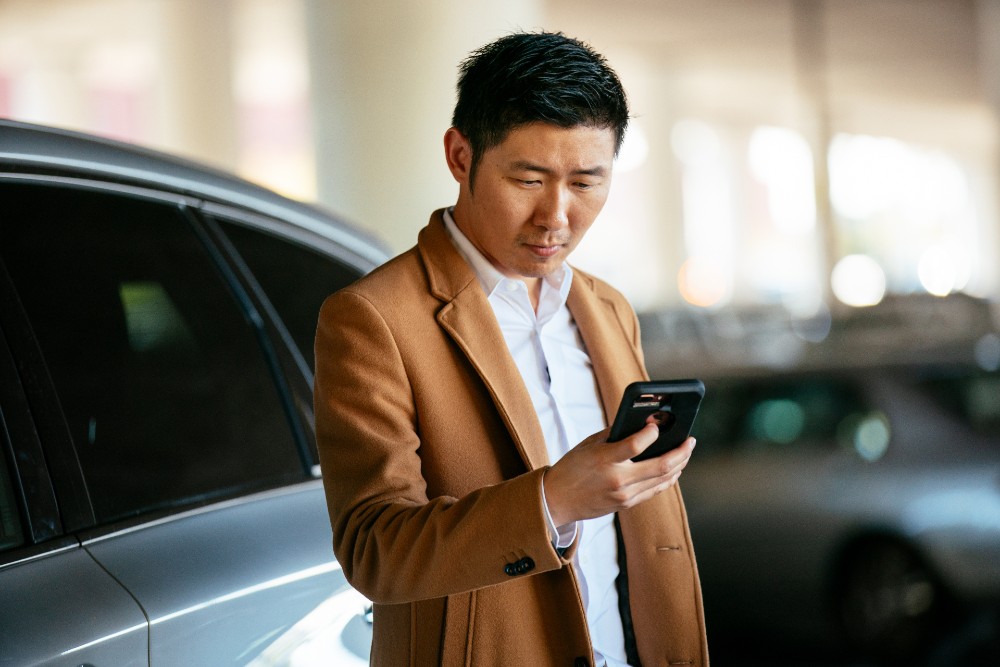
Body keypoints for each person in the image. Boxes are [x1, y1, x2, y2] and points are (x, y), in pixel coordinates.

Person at [314, 31, 708, 667]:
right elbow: (372, 551)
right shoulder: (372, 319)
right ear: (460, 155)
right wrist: (554, 500)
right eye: (528, 179)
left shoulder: (608, 309)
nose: (556, 215)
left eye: (586, 182)